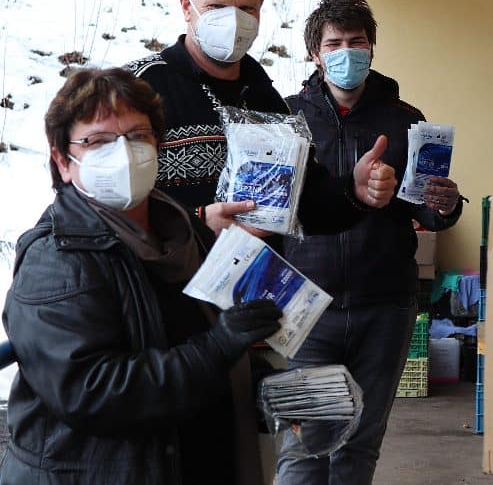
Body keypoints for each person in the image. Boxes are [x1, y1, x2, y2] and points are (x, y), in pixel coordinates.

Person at [1, 67, 283, 484]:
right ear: (63, 161)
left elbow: (197, 336)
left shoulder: (184, 231)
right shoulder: (56, 259)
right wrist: (218, 348)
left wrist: (261, 385)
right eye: (98, 141)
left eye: (137, 135)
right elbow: (92, 392)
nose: (124, 153)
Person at [275, 0, 463, 484]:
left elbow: (426, 207)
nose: (347, 52)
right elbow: (271, 211)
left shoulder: (405, 119)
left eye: (356, 42)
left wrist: (444, 204)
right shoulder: (289, 119)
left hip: (385, 306)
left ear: (372, 47)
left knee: (359, 444)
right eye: (333, 44)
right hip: (307, 310)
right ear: (315, 54)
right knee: (304, 447)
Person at [126, 0, 396, 235]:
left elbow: (306, 204)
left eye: (246, 9)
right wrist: (196, 222)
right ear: (187, 7)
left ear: (260, 9)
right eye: (216, 7)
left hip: (255, 266)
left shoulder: (266, 100)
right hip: (167, 267)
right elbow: (100, 205)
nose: (233, 21)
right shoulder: (137, 89)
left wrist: (354, 191)